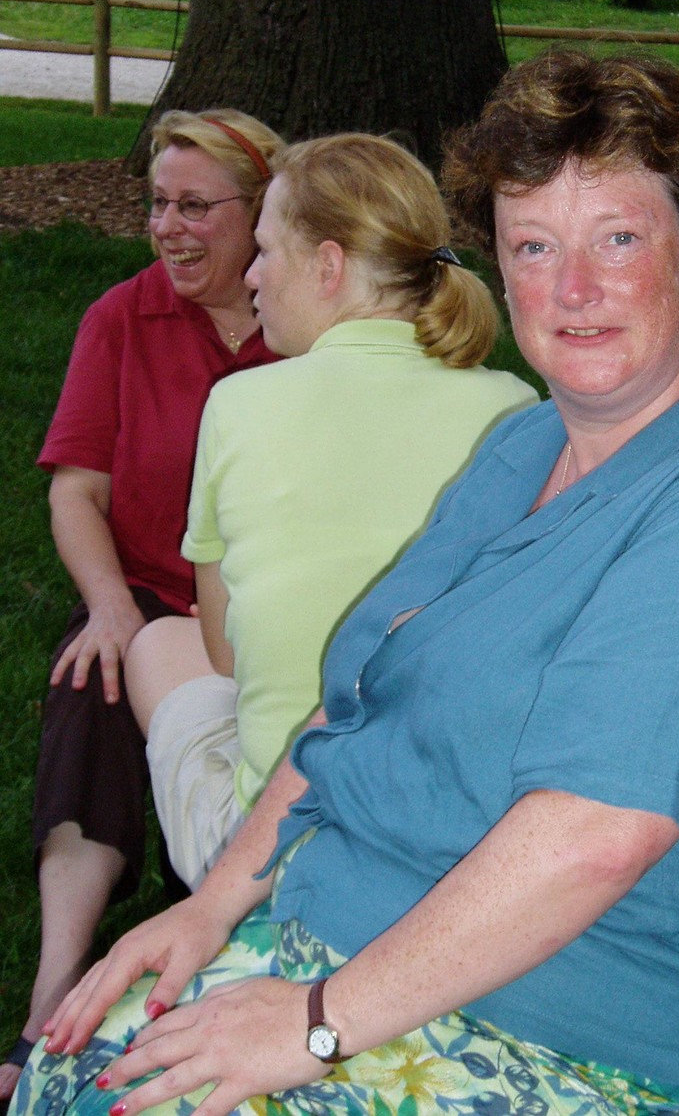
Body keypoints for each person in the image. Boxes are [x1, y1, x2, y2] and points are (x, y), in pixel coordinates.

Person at [22, 52, 679, 1116]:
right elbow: (354, 710)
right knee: (74, 1073)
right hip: (386, 950)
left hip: (631, 1039)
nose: (573, 289)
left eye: (617, 239)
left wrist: (316, 1022)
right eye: (534, 246)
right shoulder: (523, 448)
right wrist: (211, 908)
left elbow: (595, 835)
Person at [122, 133, 537, 892]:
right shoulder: (516, 410)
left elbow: (224, 654)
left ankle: (210, 904)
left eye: (264, 251)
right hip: (448, 837)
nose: (250, 275)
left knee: (157, 645)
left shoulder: (238, 404)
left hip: (276, 847)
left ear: (328, 265)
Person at [0, 109, 284, 1107]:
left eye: (195, 206)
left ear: (264, 215)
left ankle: (224, 943)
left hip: (273, 604)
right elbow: (75, 491)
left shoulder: (314, 323)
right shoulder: (122, 317)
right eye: (158, 204)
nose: (168, 227)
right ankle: (51, 999)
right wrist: (112, 608)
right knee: (94, 681)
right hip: (150, 589)